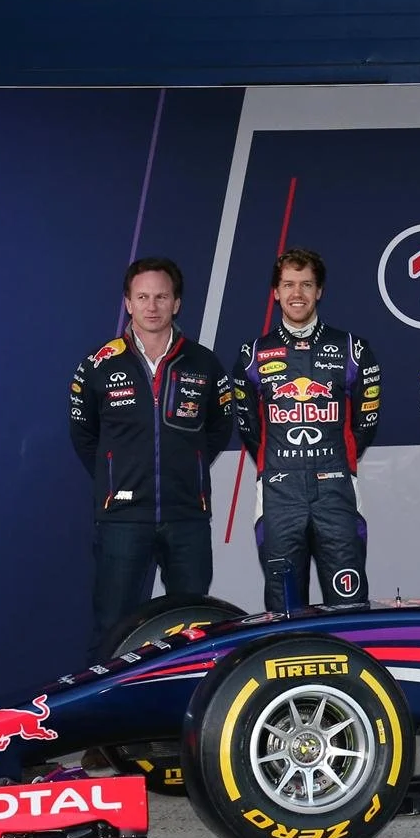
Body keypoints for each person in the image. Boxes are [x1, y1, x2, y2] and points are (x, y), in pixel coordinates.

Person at [69, 256, 232, 649]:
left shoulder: (204, 362)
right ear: (128, 303)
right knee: (114, 626)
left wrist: (188, 470)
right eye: (142, 297)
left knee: (194, 625)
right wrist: (116, 477)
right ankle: (111, 692)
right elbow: (84, 435)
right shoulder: (98, 365)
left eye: (161, 297)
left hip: (187, 516)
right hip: (123, 518)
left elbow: (218, 429)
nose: (152, 306)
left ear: (177, 303)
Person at [232, 248, 381, 612]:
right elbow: (249, 428)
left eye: (306, 284)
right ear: (275, 292)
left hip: (337, 491)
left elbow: (366, 422)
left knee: (348, 604)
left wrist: (334, 461)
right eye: (288, 285)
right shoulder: (252, 354)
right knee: (283, 607)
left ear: (319, 291)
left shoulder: (352, 349)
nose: (297, 293)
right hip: (278, 493)